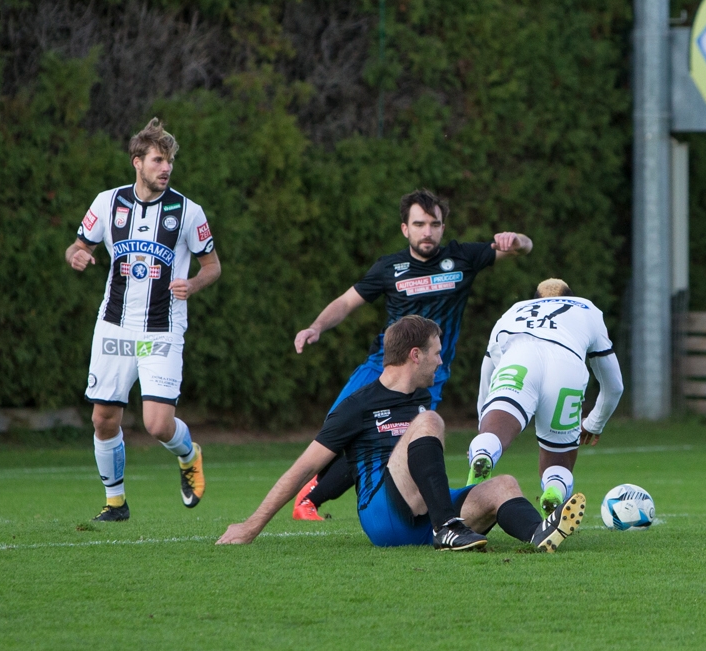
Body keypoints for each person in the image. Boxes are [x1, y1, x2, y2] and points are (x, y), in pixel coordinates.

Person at [217, 316, 586, 552]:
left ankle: (540, 533)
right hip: (384, 517)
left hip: (423, 512)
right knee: (430, 422)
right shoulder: (357, 406)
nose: (441, 361)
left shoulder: (419, 397)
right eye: (436, 354)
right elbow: (301, 469)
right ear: (415, 355)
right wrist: (252, 525)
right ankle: (448, 528)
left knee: (504, 484)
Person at [291, 189, 533, 520]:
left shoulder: (461, 258)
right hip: (382, 368)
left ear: (443, 227)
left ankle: (315, 500)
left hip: (428, 376)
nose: (427, 231)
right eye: (419, 224)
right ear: (405, 228)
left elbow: (524, 247)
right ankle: (311, 494)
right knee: (343, 429)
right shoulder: (390, 268)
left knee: (393, 446)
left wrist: (515, 240)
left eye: (434, 224)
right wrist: (316, 327)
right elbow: (347, 302)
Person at [65, 118, 221, 521]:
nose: (165, 167)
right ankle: (115, 502)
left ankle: (190, 455)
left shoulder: (187, 211)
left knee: (156, 424)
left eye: (169, 161)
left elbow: (212, 266)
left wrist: (194, 284)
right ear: (137, 162)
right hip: (114, 324)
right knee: (103, 418)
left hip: (163, 327)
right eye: (157, 160)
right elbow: (77, 246)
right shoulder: (107, 203)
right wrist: (77, 255)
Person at [466, 278, 624, 515]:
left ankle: (484, 453)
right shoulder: (586, 308)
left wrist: (484, 426)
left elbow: (487, 374)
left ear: (535, 299)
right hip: (566, 367)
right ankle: (554, 494)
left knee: (492, 437)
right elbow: (614, 385)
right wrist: (594, 423)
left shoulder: (513, 311)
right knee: (558, 460)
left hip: (519, 361)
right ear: (570, 295)